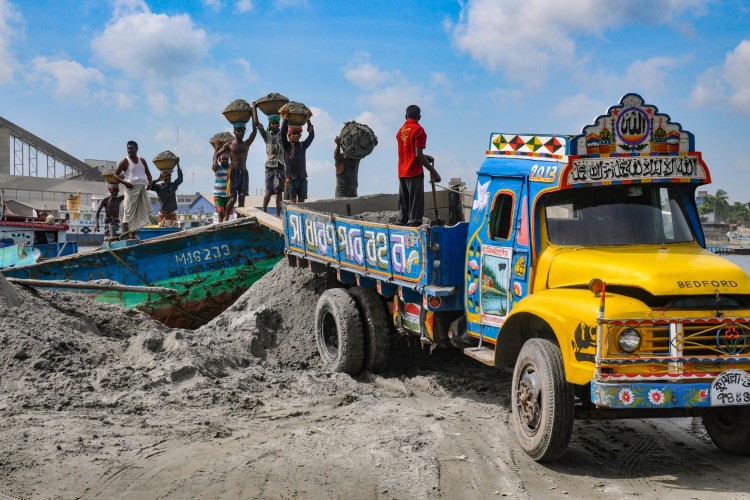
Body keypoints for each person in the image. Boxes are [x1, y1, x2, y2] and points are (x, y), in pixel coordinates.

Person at [396, 105, 441, 226]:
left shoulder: (400, 131)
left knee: (404, 212)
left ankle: (401, 232)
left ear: (406, 116)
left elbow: (409, 151)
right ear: (419, 117)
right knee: (415, 215)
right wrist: (434, 171)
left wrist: (425, 156)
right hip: (414, 173)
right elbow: (418, 155)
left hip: (402, 173)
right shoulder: (419, 130)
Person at [214, 120, 257, 217]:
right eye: (238, 131)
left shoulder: (246, 144)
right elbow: (217, 154)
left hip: (244, 173)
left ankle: (239, 218)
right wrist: (215, 162)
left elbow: (254, 132)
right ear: (235, 132)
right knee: (233, 199)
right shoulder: (230, 144)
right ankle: (226, 218)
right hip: (233, 173)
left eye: (242, 131)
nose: (240, 133)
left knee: (242, 199)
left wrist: (254, 110)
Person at [114, 140, 154, 239]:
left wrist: (150, 182)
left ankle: (133, 234)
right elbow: (115, 175)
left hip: (141, 189)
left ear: (137, 149)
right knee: (128, 211)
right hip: (131, 189)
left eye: (131, 148)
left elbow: (148, 174)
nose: (129, 150)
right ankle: (125, 235)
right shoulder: (125, 161)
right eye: (128, 148)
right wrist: (125, 183)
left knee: (138, 212)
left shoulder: (142, 160)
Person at [252, 103, 285, 215]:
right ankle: (264, 210)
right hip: (269, 166)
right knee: (269, 191)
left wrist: (285, 114)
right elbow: (257, 123)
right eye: (273, 124)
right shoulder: (267, 136)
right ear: (270, 125)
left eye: (276, 123)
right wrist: (254, 108)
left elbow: (286, 122)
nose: (275, 125)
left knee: (280, 191)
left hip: (280, 165)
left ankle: (277, 213)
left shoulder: (282, 135)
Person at [279, 109, 314, 203]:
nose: (296, 135)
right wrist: (285, 119)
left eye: (298, 134)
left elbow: (311, 136)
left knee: (301, 203)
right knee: (292, 202)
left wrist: (308, 120)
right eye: (294, 134)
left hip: (302, 178)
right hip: (291, 179)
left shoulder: (303, 145)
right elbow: (282, 134)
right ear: (289, 136)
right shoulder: (286, 146)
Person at [150, 161, 183, 227]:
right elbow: (149, 186)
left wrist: (178, 165)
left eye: (169, 176)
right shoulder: (159, 187)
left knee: (173, 232)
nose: (168, 177)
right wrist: (158, 179)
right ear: (163, 177)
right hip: (163, 214)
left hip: (172, 214)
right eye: (166, 176)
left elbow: (180, 178)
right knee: (162, 232)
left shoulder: (173, 186)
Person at [212, 154, 231, 222]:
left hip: (228, 194)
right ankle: (220, 226)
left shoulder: (230, 167)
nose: (225, 160)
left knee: (226, 214)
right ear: (219, 160)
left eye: (227, 159)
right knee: (220, 212)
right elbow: (214, 159)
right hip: (218, 194)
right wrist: (217, 149)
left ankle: (226, 227)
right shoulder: (217, 168)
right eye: (223, 159)